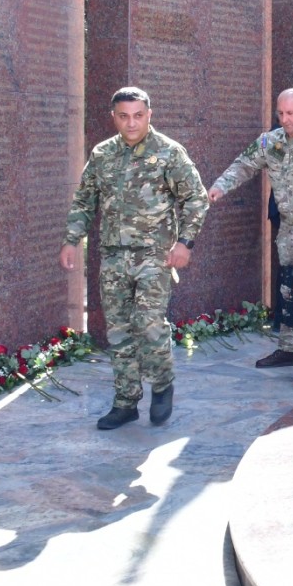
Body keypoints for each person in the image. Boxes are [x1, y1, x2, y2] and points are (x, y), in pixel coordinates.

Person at [61, 87, 208, 430]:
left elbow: (196, 200)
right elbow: (85, 200)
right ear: (113, 117)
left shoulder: (169, 153)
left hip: (154, 257)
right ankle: (125, 402)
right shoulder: (102, 154)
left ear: (149, 115)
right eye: (124, 116)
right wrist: (72, 240)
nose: (131, 123)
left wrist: (184, 243)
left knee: (148, 323)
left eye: (138, 115)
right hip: (113, 257)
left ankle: (161, 384)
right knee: (119, 331)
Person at [209, 89, 293, 388]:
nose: (284, 119)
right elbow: (243, 164)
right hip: (288, 229)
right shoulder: (269, 142)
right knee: (289, 292)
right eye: (281, 113)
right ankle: (288, 349)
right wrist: (220, 187)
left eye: (291, 113)